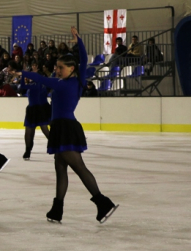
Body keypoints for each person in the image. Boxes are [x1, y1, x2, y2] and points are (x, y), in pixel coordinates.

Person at [9, 26, 118, 224]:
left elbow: (46, 76)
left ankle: (103, 202)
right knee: (60, 168)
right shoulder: (65, 81)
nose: (57, 70)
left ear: (71, 69)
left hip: (66, 128)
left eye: (61, 68)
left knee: (79, 167)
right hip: (59, 128)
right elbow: (75, 63)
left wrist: (22, 71)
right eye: (57, 67)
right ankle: (57, 210)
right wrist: (78, 40)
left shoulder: (71, 83)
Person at [14, 62, 51, 160]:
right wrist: (24, 74)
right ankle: (28, 150)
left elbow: (24, 85)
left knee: (40, 129)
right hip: (34, 109)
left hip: (39, 108)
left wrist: (25, 74)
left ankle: (54, 146)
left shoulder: (39, 84)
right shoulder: (34, 84)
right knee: (31, 130)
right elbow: (23, 86)